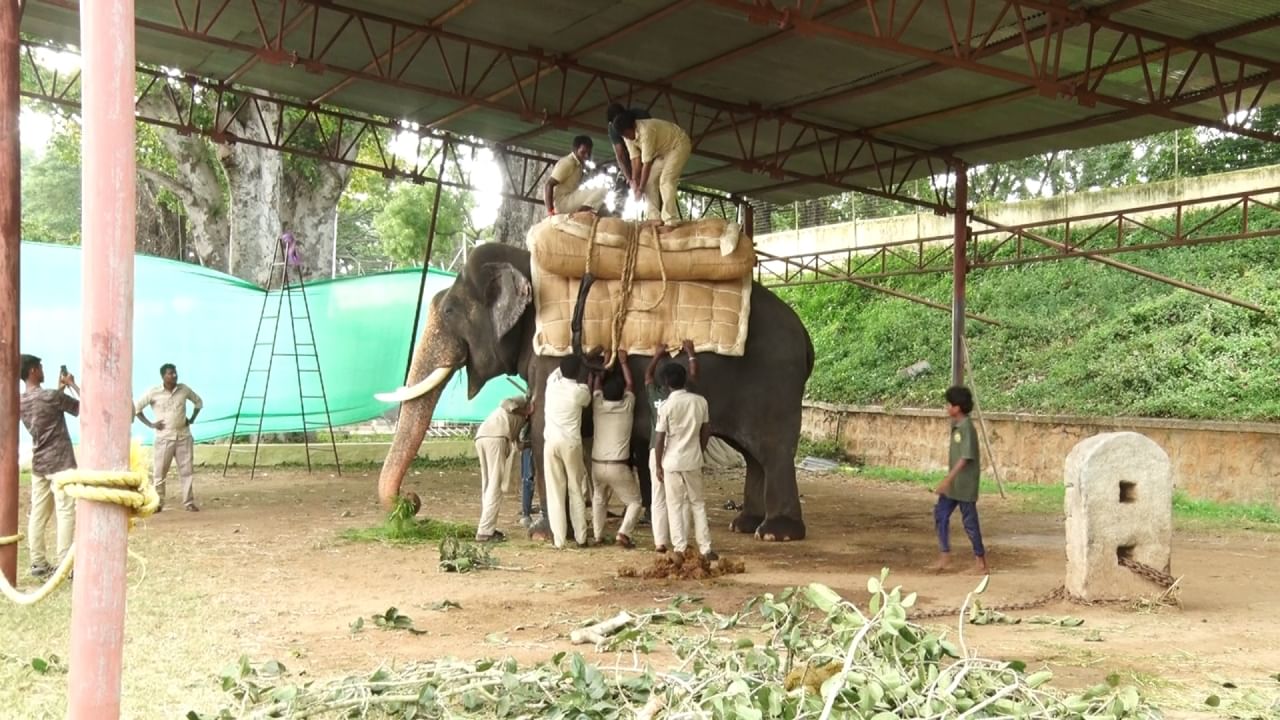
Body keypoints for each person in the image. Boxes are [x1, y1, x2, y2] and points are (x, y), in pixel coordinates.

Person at [18, 354, 79, 579]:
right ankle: (65, 565)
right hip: (61, 461)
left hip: (39, 463)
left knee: (38, 513)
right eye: (40, 367)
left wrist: (59, 389)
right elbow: (85, 407)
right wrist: (71, 384)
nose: (43, 370)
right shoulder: (51, 397)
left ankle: (38, 563)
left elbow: (48, 411)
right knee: (65, 512)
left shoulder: (21, 401)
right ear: (33, 370)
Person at [654, 362, 714, 560]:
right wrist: (700, 449)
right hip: (693, 460)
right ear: (685, 378)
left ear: (665, 383)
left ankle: (679, 548)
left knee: (675, 505)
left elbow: (660, 438)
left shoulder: (666, 406)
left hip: (671, 461)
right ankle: (705, 548)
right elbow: (706, 430)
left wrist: (658, 465)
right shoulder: (700, 402)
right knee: (697, 503)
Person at [644, 340, 697, 552]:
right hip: (678, 453)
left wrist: (657, 354)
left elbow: (647, 376)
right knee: (681, 499)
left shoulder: (655, 396)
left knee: (658, 498)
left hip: (655, 451)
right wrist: (691, 353)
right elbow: (693, 377)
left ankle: (660, 542)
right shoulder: (686, 399)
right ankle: (681, 540)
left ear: (664, 383)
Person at [931, 386, 990, 574]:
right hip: (953, 486)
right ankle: (945, 555)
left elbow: (965, 457)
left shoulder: (967, 428)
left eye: (949, 404)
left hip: (964, 485)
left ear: (957, 408)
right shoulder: (956, 426)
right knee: (941, 515)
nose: (946, 407)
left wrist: (947, 479)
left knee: (970, 522)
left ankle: (981, 562)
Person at [588, 350, 643, 549]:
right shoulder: (627, 407)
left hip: (596, 464)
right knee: (635, 502)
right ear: (622, 395)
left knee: (599, 499)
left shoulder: (598, 406)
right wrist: (624, 362)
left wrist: (600, 371)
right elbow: (631, 385)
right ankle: (623, 533)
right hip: (618, 466)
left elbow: (596, 388)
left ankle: (597, 536)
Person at [134, 363, 204, 512]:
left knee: (187, 471)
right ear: (163, 376)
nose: (174, 376)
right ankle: (158, 503)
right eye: (170, 373)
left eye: (175, 373)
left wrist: (191, 419)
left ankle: (188, 502)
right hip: (164, 438)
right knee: (160, 472)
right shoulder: (154, 392)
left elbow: (199, 402)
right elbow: (137, 408)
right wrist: (151, 424)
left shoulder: (183, 389)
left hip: (183, 436)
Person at [542, 355, 592, 548]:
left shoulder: (551, 385)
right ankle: (581, 538)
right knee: (576, 490)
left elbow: (558, 371)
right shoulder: (580, 392)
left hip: (551, 443)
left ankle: (559, 540)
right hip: (571, 444)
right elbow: (587, 400)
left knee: (555, 491)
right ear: (579, 372)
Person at [612, 112, 692, 226]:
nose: (627, 137)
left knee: (666, 180)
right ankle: (654, 217)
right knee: (649, 181)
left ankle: (671, 219)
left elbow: (647, 164)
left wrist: (640, 189)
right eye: (624, 135)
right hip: (662, 151)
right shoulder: (626, 136)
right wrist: (634, 181)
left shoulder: (646, 131)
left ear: (632, 126)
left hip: (678, 145)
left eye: (627, 133)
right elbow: (635, 159)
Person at [473, 396, 531, 543]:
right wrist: (526, 410)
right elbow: (504, 402)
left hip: (483, 436)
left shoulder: (521, 419)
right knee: (494, 486)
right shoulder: (523, 400)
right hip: (496, 437)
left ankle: (487, 527)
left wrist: (534, 444)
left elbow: (518, 445)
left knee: (488, 485)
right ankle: (485, 532)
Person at [544, 135, 607, 217]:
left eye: (589, 153)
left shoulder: (579, 164)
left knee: (603, 203)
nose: (587, 156)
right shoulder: (568, 162)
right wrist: (550, 211)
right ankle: (579, 215)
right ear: (575, 150)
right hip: (562, 203)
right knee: (604, 189)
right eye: (583, 152)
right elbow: (548, 185)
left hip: (569, 198)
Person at [605, 103, 651, 191]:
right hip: (630, 154)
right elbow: (620, 154)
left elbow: (650, 141)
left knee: (652, 180)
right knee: (623, 183)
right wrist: (629, 179)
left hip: (648, 147)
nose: (618, 126)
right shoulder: (612, 128)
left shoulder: (641, 116)